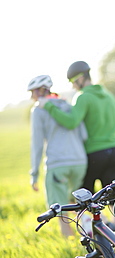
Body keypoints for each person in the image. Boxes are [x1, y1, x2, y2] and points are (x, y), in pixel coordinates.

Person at [38, 61, 115, 229]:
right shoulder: (109, 96)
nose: (72, 86)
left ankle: (97, 232)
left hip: (93, 155)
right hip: (113, 153)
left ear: (81, 78)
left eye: (73, 81)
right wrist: (113, 147)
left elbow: (71, 122)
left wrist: (48, 106)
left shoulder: (83, 97)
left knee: (83, 196)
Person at [28, 74, 88, 237]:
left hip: (58, 164)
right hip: (80, 162)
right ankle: (89, 233)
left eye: (32, 92)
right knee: (77, 202)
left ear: (40, 92)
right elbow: (83, 134)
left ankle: (70, 244)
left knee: (60, 209)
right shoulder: (67, 105)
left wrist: (34, 173)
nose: (31, 97)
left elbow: (37, 144)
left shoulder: (38, 111)